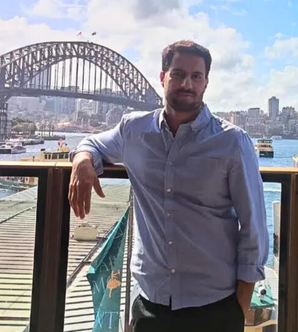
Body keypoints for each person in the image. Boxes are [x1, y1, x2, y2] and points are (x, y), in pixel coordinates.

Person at [67, 40, 268, 332]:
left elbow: (255, 229)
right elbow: (93, 144)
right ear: (163, 77)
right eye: (178, 74)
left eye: (196, 76)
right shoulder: (133, 130)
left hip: (215, 306)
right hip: (151, 304)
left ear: (206, 83)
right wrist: (83, 160)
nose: (187, 83)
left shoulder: (233, 142)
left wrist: (239, 307)